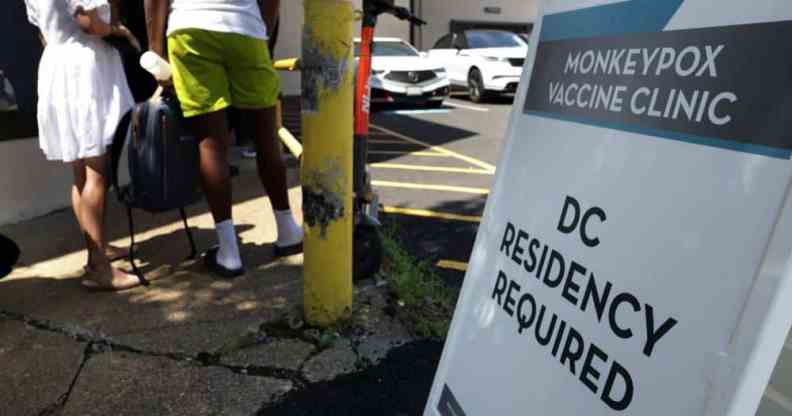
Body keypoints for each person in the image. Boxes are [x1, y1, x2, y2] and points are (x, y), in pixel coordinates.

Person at [144, 0, 303, 278]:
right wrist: (259, 30)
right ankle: (288, 229)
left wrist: (156, 50)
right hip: (245, 28)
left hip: (190, 27)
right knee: (266, 135)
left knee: (211, 143)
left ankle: (228, 252)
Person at [24, 0, 144, 290]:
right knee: (96, 172)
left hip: (57, 64)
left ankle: (97, 249)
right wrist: (121, 31)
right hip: (85, 68)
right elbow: (89, 23)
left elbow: (42, 31)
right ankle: (100, 265)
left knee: (81, 171)